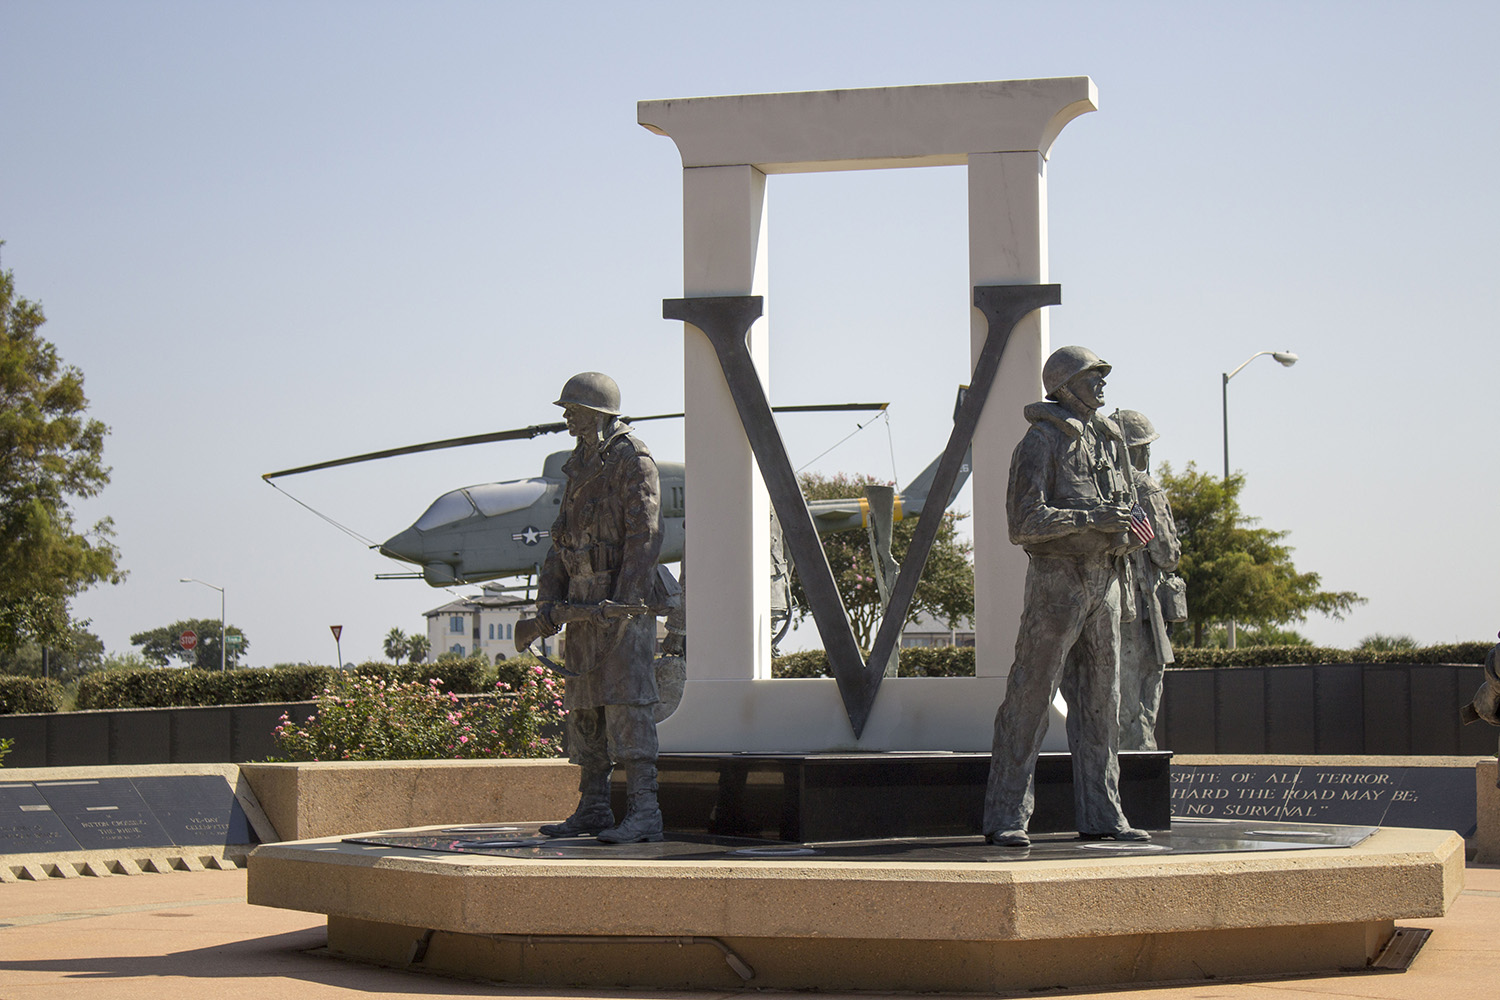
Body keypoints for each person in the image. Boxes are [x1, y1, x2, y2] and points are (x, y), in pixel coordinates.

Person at [983, 346, 1150, 848]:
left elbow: (1128, 505)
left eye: (1101, 377)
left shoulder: (1110, 439)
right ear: (1063, 385)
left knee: (1104, 700)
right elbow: (1023, 523)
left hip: (1108, 580)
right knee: (1031, 697)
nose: (1101, 385)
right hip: (1058, 582)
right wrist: (1090, 519)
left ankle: (1103, 813)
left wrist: (1126, 529)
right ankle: (1007, 814)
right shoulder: (1039, 442)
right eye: (1091, 377)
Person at [530, 371, 666, 844]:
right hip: (581, 603)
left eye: (574, 408)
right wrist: (548, 602)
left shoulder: (633, 459)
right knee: (584, 708)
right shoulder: (579, 465)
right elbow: (559, 540)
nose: (567, 416)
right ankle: (593, 807)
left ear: (599, 413)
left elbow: (645, 533)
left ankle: (645, 810)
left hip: (619, 602)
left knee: (628, 704)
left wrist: (627, 599)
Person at [1112, 410, 1181, 751]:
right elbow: (1166, 553)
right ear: (1137, 451)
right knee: (1140, 697)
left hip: (1105, 605)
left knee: (1112, 695)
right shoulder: (1145, 488)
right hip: (1139, 608)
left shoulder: (1094, 485)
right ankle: (1139, 767)